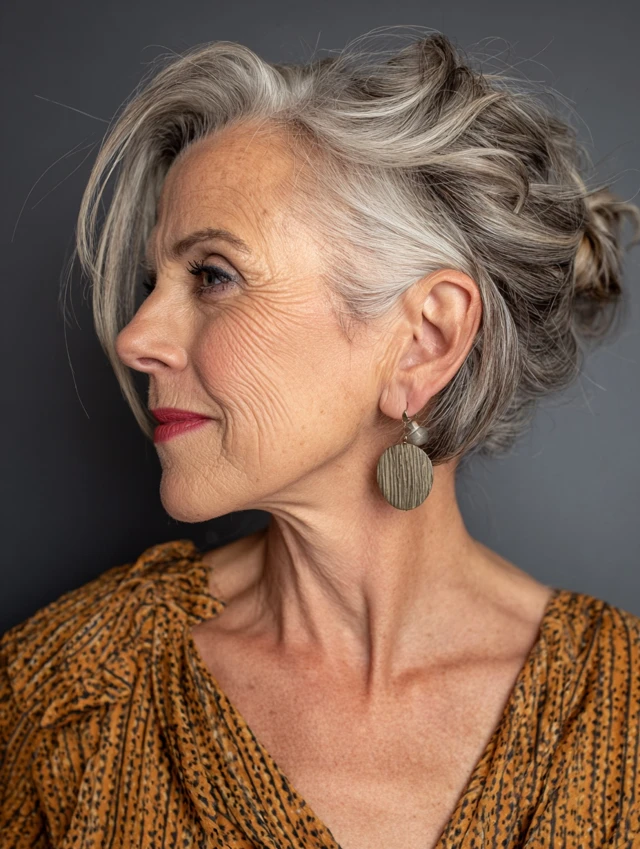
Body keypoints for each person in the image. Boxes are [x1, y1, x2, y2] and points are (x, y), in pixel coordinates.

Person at [2, 28, 640, 849]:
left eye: (213, 275)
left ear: (425, 341)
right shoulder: (64, 699)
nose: (136, 338)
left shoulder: (622, 714)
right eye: (152, 283)